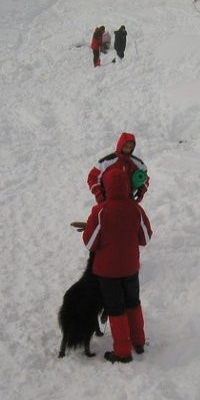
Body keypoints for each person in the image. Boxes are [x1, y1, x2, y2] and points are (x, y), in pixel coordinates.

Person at [82, 169, 153, 363]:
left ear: (106, 186)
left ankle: (122, 352)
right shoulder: (136, 209)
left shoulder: (100, 211)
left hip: (107, 272)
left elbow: (90, 243)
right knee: (133, 303)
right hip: (131, 268)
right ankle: (138, 342)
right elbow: (145, 237)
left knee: (115, 309)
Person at [87, 132, 149, 204]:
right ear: (120, 145)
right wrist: (99, 194)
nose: (128, 149)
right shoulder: (106, 162)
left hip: (128, 200)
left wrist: (141, 193)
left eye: (130, 147)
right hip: (107, 200)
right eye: (125, 146)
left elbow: (145, 178)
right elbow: (92, 177)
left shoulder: (138, 164)